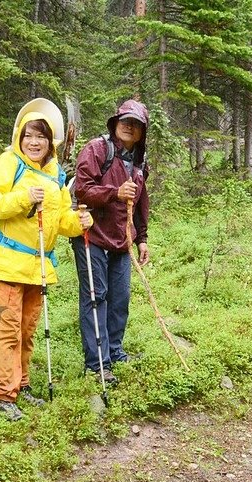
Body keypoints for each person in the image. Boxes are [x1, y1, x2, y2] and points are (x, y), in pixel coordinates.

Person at [0, 99, 92, 422]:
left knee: (26, 330)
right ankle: (4, 394)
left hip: (37, 266)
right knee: (8, 329)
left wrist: (80, 222)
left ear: (51, 140)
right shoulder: (7, 162)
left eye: (41, 136)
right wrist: (23, 198)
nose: (34, 141)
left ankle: (22, 384)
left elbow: (61, 221)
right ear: (19, 136)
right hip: (6, 262)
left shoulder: (57, 174)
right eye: (29, 135)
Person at [71, 99, 150, 385]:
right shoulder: (97, 150)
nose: (130, 127)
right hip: (91, 236)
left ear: (142, 131)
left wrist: (141, 239)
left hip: (121, 240)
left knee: (120, 300)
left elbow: (141, 202)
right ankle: (97, 364)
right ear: (115, 123)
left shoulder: (139, 162)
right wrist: (114, 193)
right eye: (125, 121)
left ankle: (115, 352)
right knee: (96, 298)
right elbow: (82, 189)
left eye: (136, 124)